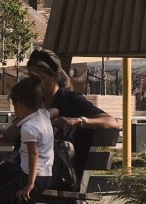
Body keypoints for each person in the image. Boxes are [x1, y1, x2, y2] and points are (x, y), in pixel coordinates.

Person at [19, 48, 119, 180]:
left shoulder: (71, 100)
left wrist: (78, 121)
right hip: (29, 169)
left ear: (54, 76)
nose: (35, 83)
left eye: (40, 78)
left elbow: (112, 122)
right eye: (32, 78)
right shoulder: (34, 102)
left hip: (58, 174)